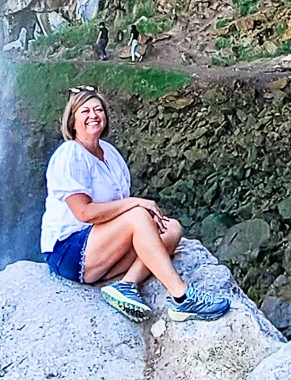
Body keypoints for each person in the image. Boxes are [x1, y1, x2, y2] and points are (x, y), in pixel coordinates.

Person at [41, 86, 230, 322]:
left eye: (98, 110)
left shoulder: (109, 153)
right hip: (68, 250)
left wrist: (139, 214)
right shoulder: (70, 153)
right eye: (85, 111)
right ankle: (182, 298)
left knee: (170, 229)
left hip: (101, 248)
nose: (93, 115)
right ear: (72, 120)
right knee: (139, 215)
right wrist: (136, 204)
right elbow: (83, 212)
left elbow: (119, 214)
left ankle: (126, 285)